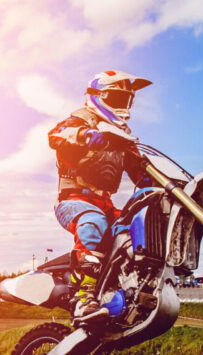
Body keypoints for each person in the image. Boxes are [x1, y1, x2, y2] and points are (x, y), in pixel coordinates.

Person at [48, 70, 153, 319]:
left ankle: (126, 291)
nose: (122, 106)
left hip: (105, 203)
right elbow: (56, 135)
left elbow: (140, 171)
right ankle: (83, 296)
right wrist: (85, 136)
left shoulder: (122, 137)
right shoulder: (79, 121)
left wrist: (157, 180)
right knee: (94, 221)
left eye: (126, 101)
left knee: (135, 228)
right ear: (98, 96)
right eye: (117, 99)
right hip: (73, 201)